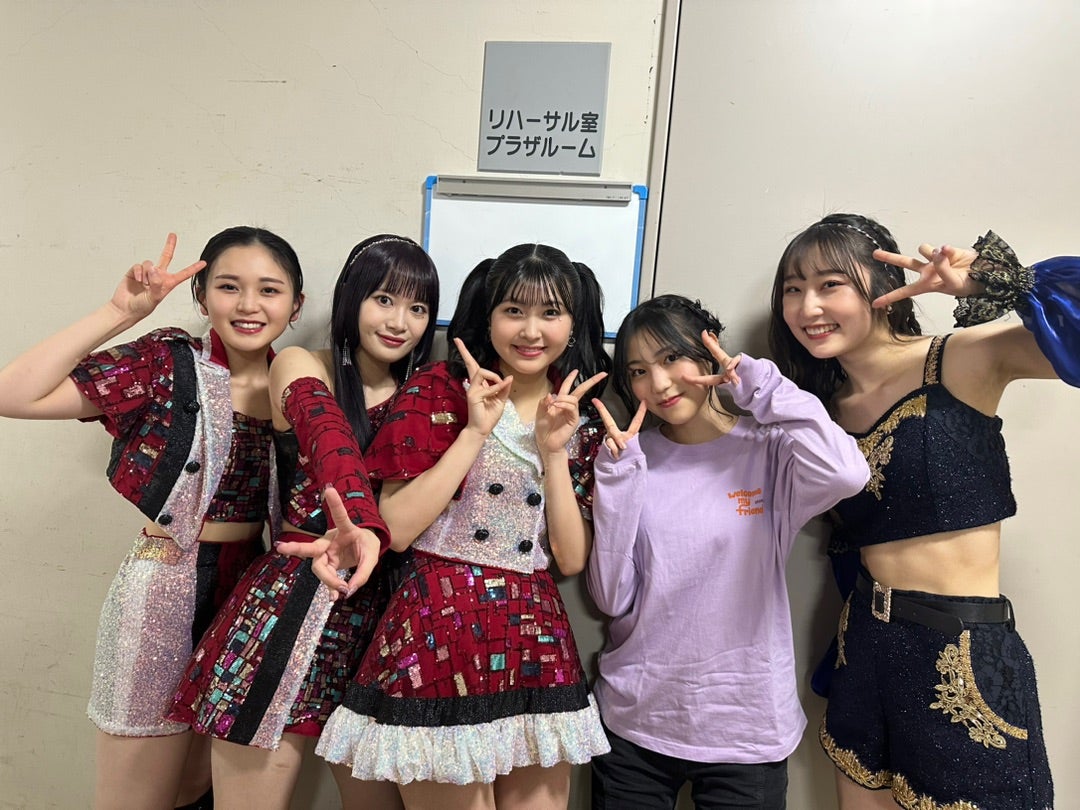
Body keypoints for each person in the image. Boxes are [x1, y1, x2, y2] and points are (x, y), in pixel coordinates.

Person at [769, 212, 1080, 809]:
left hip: (961, 652)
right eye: (793, 289)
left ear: (883, 287)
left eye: (830, 284)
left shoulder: (960, 360)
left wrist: (997, 282)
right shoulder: (819, 412)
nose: (809, 307)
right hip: (863, 646)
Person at [0, 228, 304, 809]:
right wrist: (119, 313)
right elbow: (13, 394)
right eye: (229, 287)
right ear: (201, 297)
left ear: (296, 305)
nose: (248, 305)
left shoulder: (301, 387)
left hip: (253, 598)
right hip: (165, 586)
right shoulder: (169, 363)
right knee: (137, 795)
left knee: (200, 789)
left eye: (269, 290)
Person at [306, 243, 612, 810]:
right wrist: (474, 431)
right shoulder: (438, 389)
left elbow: (570, 559)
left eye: (550, 313)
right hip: (439, 619)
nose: (531, 331)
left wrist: (553, 452)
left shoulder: (579, 413)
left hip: (535, 629)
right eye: (513, 311)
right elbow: (395, 526)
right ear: (488, 317)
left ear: (573, 324)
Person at [168, 235, 439, 810]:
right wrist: (359, 518)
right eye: (384, 300)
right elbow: (325, 432)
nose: (400, 322)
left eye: (418, 308)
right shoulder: (300, 363)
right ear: (350, 299)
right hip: (287, 610)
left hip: (378, 626)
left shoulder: (426, 397)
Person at [584, 294, 868, 810]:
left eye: (672, 357)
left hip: (746, 726)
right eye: (639, 371)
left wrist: (759, 386)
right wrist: (619, 480)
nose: (659, 383)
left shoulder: (770, 448)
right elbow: (611, 597)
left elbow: (846, 473)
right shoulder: (630, 457)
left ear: (709, 350)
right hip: (635, 719)